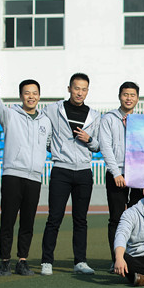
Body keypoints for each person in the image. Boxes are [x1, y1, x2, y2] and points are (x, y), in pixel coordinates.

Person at [0, 70, 52, 276]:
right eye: (27, 93)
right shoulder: (10, 115)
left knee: (28, 222)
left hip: (34, 177)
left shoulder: (45, 121)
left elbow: (50, 144)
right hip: (13, 175)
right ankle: (5, 261)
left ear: (39, 96)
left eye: (34, 93)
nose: (31, 96)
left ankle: (22, 261)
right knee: (8, 220)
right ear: (21, 95)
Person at [40, 73, 101, 276]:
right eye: (76, 88)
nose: (80, 93)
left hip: (84, 172)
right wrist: (53, 148)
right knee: (54, 217)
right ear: (69, 89)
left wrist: (89, 139)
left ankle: (80, 262)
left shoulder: (94, 115)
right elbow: (43, 131)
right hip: (61, 170)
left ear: (87, 91)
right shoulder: (53, 109)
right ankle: (47, 261)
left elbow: (97, 145)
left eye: (84, 89)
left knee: (80, 219)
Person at [100, 81, 143, 273]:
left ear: (137, 98)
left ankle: (133, 258)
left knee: (137, 217)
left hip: (138, 174)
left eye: (132, 95)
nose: (129, 98)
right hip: (116, 173)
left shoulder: (141, 121)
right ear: (119, 96)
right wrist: (116, 173)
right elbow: (105, 147)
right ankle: (116, 259)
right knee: (116, 218)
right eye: (125, 94)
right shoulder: (109, 119)